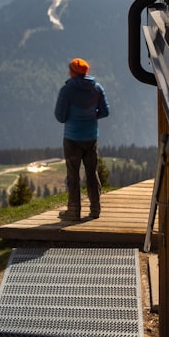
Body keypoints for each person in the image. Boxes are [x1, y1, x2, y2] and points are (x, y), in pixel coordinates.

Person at [53, 57, 110, 220]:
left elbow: (60, 117)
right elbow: (105, 111)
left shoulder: (67, 90)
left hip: (72, 137)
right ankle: (95, 209)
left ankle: (73, 211)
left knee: (73, 174)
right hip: (91, 137)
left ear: (73, 72)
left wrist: (75, 117)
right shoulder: (97, 88)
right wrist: (91, 116)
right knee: (92, 173)